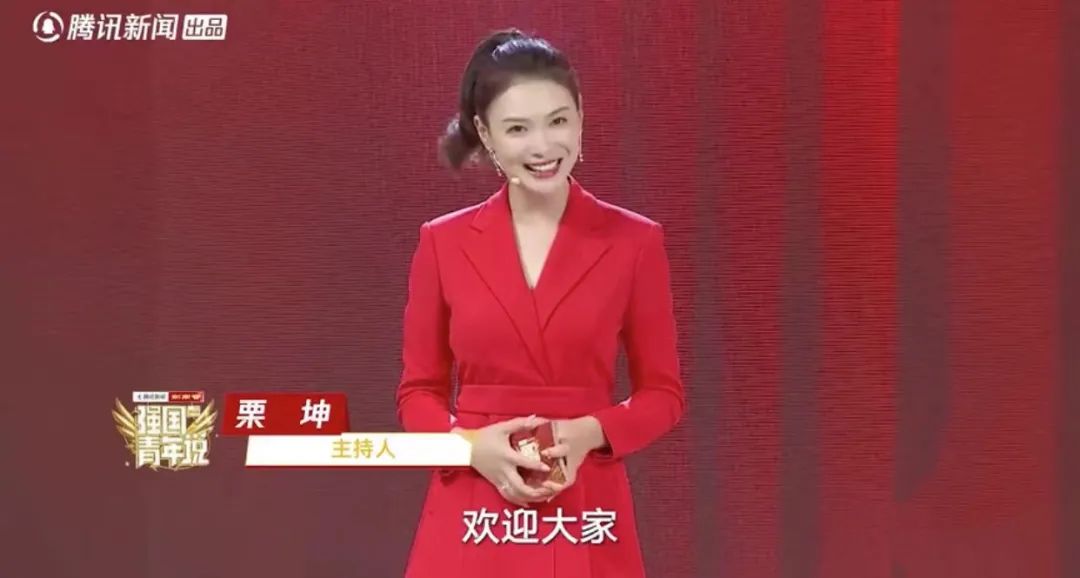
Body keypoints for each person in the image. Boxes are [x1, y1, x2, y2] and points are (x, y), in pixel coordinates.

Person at [395, 27, 686, 578]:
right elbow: (418, 393)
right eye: (518, 128)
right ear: (486, 134)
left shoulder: (635, 242)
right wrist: (468, 447)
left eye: (558, 121)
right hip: (472, 503)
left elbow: (663, 395)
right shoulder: (443, 242)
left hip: (584, 500)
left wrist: (591, 432)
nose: (543, 147)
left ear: (581, 120)